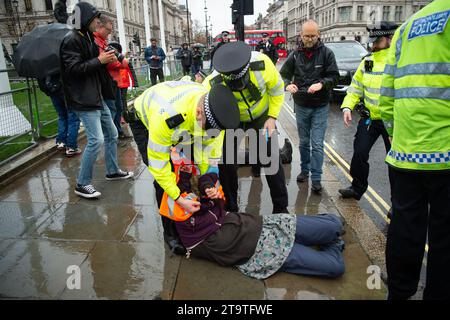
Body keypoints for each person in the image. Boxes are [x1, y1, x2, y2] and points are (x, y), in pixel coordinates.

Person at [379, 0, 450, 300]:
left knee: (405, 228)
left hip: (406, 152)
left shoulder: (408, 26)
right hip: (445, 153)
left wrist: (396, 134)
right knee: (444, 237)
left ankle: (399, 293)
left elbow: (388, 90)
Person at [174, 166, 345, 280]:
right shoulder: (186, 221)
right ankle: (330, 242)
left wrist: (207, 186)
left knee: (335, 224)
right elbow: (182, 191)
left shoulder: (209, 198)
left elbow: (208, 175)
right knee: (335, 267)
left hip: (267, 225)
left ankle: (325, 237)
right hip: (266, 253)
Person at [130, 81, 241, 254]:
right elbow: (159, 167)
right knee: (164, 180)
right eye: (207, 129)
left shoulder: (215, 115)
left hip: (186, 122)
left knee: (190, 169)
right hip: (144, 122)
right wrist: (179, 199)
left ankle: (192, 213)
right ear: (198, 113)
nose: (210, 134)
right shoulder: (167, 119)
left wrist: (208, 182)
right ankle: (170, 232)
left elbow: (208, 155)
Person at [204, 41, 289, 214]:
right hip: (232, 122)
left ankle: (281, 209)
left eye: (242, 82)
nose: (240, 87)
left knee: (271, 161)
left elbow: (277, 91)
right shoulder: (212, 81)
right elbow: (203, 106)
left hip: (261, 118)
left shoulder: (263, 64)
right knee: (226, 164)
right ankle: (230, 208)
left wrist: (272, 117)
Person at [60, 1, 133, 199]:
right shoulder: (72, 39)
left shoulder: (87, 37)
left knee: (112, 134)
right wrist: (99, 60)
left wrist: (105, 59)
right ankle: (82, 183)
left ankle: (112, 171)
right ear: (86, 19)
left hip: (97, 96)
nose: (97, 23)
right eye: (94, 19)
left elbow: (93, 65)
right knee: (96, 139)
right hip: (84, 98)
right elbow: (72, 70)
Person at [338, 21, 398, 217]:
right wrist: (347, 106)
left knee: (395, 163)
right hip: (370, 119)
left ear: (389, 39)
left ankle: (397, 204)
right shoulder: (367, 61)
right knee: (359, 154)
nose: (372, 44)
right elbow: (355, 88)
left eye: (377, 40)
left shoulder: (398, 61)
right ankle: (357, 187)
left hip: (393, 122)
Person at [280, 20, 339, 194]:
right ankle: (304, 171)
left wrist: (322, 84)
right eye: (307, 36)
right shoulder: (295, 55)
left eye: (313, 35)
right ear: (301, 35)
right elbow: (283, 75)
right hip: (301, 104)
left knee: (317, 144)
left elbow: (334, 76)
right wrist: (287, 85)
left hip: (320, 105)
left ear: (318, 35)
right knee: (304, 142)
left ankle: (317, 179)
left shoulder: (327, 54)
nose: (310, 39)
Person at [93, 16, 129, 138]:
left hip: (114, 82)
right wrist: (119, 62)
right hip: (106, 82)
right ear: (99, 26)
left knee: (117, 108)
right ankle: (112, 135)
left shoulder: (104, 42)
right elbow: (108, 62)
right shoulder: (95, 42)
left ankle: (117, 132)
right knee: (111, 110)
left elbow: (119, 61)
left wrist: (119, 61)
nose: (109, 33)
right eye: (108, 30)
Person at [37, 73, 81, 157]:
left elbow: (40, 81)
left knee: (62, 116)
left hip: (53, 92)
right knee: (73, 118)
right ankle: (71, 147)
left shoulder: (42, 64)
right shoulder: (57, 60)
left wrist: (49, 91)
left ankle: (61, 142)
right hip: (66, 90)